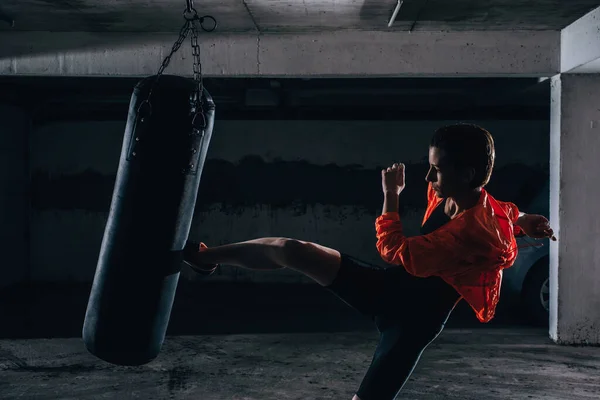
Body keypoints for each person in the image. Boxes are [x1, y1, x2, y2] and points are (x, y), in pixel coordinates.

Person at [183, 123, 555, 400]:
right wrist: (525, 221)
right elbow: (505, 212)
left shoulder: (472, 232)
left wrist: (391, 195)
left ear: (466, 174)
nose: (428, 177)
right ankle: (206, 258)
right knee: (292, 249)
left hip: (412, 324)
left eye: (436, 170)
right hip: (387, 289)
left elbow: (395, 248)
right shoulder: (473, 199)